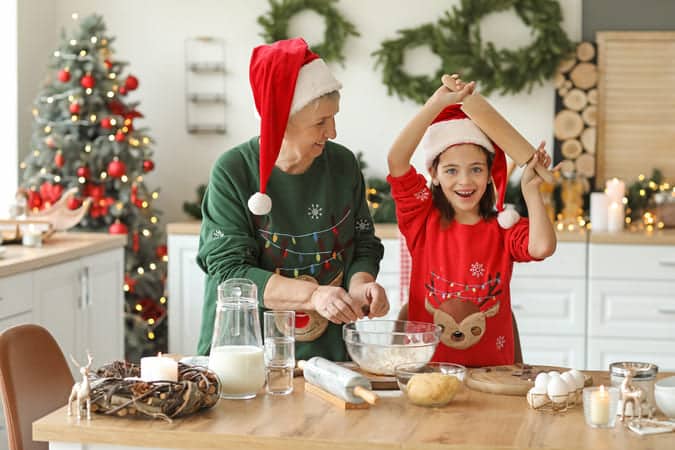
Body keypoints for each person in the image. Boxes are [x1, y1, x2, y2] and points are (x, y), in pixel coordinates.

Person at [197, 38, 389, 361]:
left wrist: (361, 285)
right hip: (245, 357)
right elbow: (231, 273)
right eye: (320, 122)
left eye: (333, 117)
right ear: (281, 121)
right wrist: (314, 295)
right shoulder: (233, 172)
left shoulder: (343, 165)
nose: (333, 132)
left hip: (329, 360)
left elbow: (364, 242)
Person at [387, 74, 556, 367]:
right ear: (435, 176)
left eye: (476, 169)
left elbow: (541, 247)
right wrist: (433, 107)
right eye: (451, 170)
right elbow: (397, 161)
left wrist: (531, 191)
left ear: (490, 174)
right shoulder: (421, 220)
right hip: (426, 370)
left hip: (492, 374)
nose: (465, 181)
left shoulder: (503, 227)